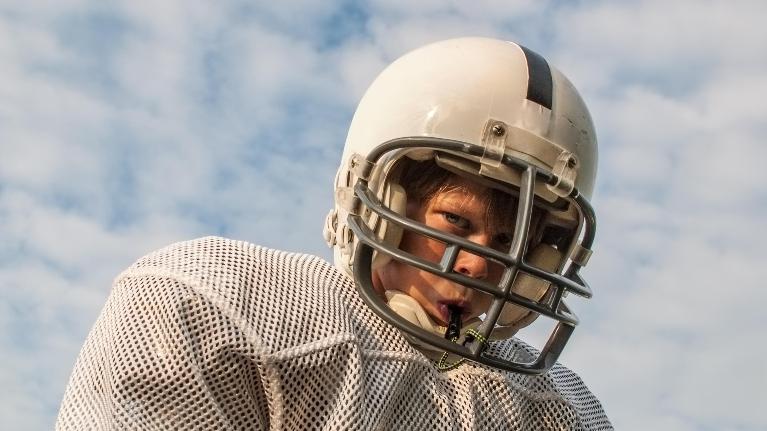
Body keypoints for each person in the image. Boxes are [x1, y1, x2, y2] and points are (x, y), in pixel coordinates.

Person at [57, 37, 612, 430]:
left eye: (512, 244)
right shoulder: (225, 306)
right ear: (377, 198)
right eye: (456, 222)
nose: (476, 267)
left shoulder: (559, 411)